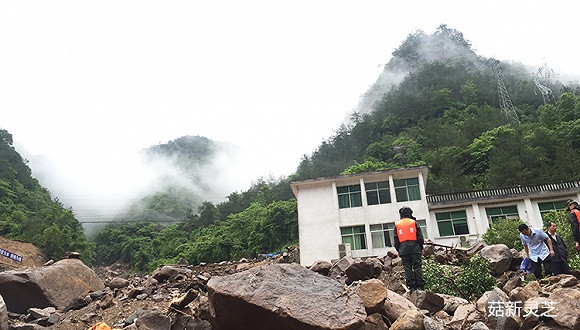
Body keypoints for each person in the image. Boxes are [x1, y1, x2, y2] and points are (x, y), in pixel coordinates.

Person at [394, 206, 425, 292]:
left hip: (403, 249)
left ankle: (411, 286)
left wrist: (398, 250)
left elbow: (396, 240)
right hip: (415, 248)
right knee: (417, 266)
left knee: (407, 267)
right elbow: (420, 237)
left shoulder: (397, 225)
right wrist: (421, 247)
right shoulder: (414, 223)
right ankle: (420, 286)